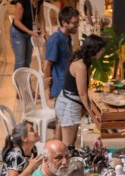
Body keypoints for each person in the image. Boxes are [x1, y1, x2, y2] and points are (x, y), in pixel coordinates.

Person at [55, 34, 106, 147]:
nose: (103, 52)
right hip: (70, 105)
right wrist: (91, 113)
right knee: (68, 145)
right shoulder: (81, 66)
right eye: (102, 50)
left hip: (67, 101)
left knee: (66, 143)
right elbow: (82, 93)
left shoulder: (80, 60)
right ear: (95, 49)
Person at [43, 6, 80, 139]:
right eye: (75, 23)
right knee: (61, 122)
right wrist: (49, 88)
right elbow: (47, 65)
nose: (78, 25)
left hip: (65, 83)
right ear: (64, 23)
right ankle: (56, 148)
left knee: (61, 121)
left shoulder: (67, 36)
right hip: (60, 86)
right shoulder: (55, 40)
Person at [10, 0, 45, 71]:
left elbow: (41, 18)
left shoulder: (39, 1)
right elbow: (16, 21)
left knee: (28, 61)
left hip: (30, 33)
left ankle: (25, 80)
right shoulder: (22, 2)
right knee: (20, 62)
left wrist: (44, 32)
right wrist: (30, 32)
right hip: (18, 34)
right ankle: (18, 81)